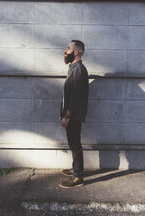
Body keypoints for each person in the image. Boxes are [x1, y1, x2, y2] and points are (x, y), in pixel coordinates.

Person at [59, 40, 89, 188]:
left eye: (68, 48)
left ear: (75, 52)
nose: (66, 51)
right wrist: (62, 113)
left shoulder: (78, 70)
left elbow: (75, 98)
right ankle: (76, 169)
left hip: (74, 116)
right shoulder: (73, 68)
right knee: (73, 143)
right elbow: (68, 95)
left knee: (75, 145)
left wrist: (67, 116)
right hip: (71, 114)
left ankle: (78, 178)